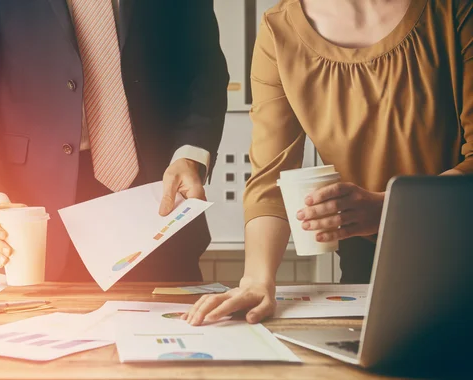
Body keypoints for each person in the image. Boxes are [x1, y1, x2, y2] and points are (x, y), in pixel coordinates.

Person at [184, 0, 472, 325]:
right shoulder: (280, 29)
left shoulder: (455, 11)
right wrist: (256, 279)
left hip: (461, 252)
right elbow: (272, 178)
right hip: (366, 265)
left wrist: (391, 209)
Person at [0, 0, 229, 282]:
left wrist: (190, 154)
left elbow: (206, 69)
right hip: (32, 213)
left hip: (159, 197)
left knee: (171, 330)